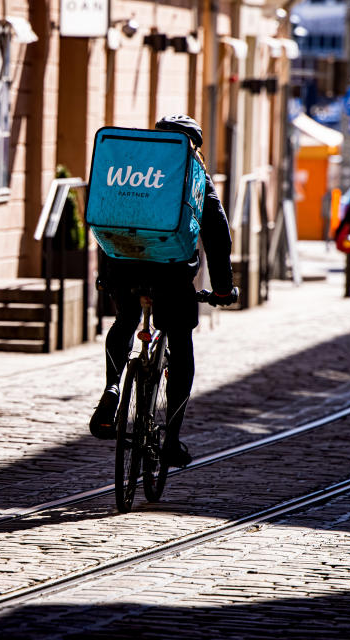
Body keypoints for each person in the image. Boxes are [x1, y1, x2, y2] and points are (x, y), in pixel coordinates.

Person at [89, 114, 238, 469]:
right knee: (180, 343)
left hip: (122, 265)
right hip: (171, 273)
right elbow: (217, 235)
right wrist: (221, 289)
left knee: (125, 321)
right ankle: (170, 439)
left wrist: (105, 272)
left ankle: (112, 387)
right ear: (194, 145)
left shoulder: (131, 165)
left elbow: (104, 212)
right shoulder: (196, 175)